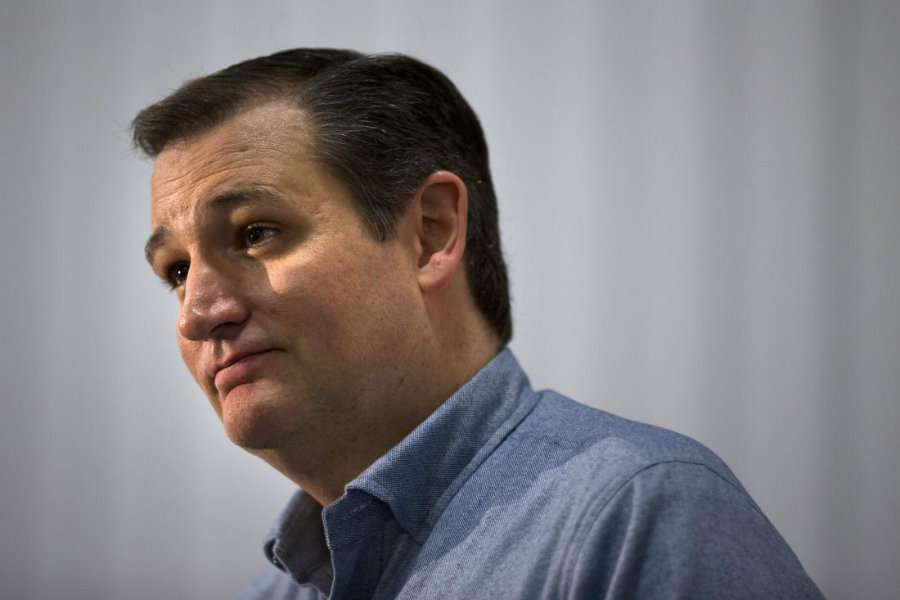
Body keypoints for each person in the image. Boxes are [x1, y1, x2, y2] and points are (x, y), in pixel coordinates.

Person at [133, 48, 823, 599]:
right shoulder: (276, 590)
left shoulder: (638, 511)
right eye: (175, 270)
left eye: (256, 232)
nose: (199, 313)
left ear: (430, 234)